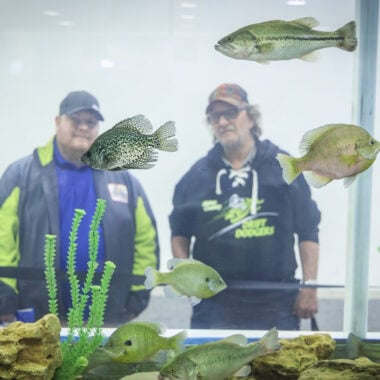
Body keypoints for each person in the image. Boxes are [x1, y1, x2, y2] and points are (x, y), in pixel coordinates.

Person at [169, 83, 321, 330]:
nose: (222, 122)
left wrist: (310, 286)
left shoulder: (284, 168)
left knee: (276, 368)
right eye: (215, 117)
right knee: (211, 369)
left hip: (276, 301)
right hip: (214, 303)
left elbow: (308, 230)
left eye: (230, 113)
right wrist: (187, 278)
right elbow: (179, 232)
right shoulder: (197, 176)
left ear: (250, 118)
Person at [0, 90, 159, 325]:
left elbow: (145, 241)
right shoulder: (21, 175)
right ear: (57, 122)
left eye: (91, 122)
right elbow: (3, 237)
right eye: (76, 120)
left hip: (107, 319)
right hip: (35, 317)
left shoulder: (124, 180)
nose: (84, 127)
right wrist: (4, 298)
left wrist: (138, 297)